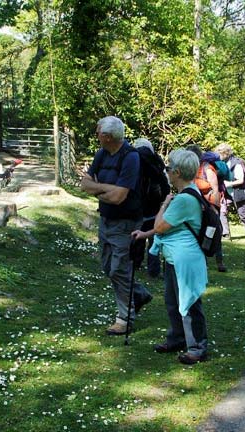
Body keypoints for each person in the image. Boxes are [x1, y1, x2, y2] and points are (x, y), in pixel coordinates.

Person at [132, 149, 209, 364]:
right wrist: (144, 234)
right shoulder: (188, 193)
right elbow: (167, 227)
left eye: (168, 168)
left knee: (189, 302)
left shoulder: (183, 199)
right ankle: (177, 338)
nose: (166, 172)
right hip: (177, 257)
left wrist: (164, 204)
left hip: (185, 259)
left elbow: (159, 226)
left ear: (176, 172)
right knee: (173, 301)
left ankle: (197, 346)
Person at [80, 116, 153, 336]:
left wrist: (98, 189)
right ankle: (138, 294)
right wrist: (106, 189)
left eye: (98, 131)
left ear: (108, 137)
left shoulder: (130, 157)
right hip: (106, 220)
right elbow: (84, 185)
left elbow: (120, 197)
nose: (96, 135)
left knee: (119, 269)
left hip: (126, 223)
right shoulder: (101, 154)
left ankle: (124, 319)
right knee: (107, 267)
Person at [187, 144, 227, 272]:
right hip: (196, 206)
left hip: (209, 206)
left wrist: (213, 208)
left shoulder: (207, 169)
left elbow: (215, 190)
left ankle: (219, 262)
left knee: (214, 231)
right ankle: (202, 261)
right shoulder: (190, 169)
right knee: (198, 233)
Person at [130, 138, 166, 278]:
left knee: (137, 236)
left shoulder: (133, 161)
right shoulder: (156, 162)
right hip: (154, 207)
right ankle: (154, 270)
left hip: (137, 207)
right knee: (154, 240)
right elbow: (165, 185)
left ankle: (135, 264)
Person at [215, 143, 245, 245]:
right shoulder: (223, 163)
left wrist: (227, 184)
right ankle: (225, 234)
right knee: (222, 211)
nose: (218, 156)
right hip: (228, 192)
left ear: (226, 153)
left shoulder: (237, 163)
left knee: (243, 215)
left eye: (220, 153)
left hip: (239, 192)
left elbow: (241, 180)